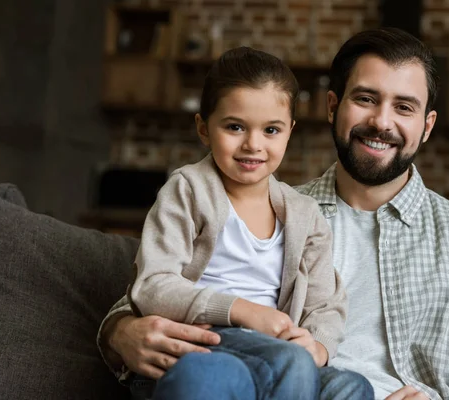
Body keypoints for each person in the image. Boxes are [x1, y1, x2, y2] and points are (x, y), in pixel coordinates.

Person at [98, 29, 449, 400]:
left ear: (426, 126)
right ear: (333, 106)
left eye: (404, 107)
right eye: (365, 99)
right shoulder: (274, 208)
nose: (382, 121)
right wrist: (121, 333)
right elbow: (152, 287)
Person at [108, 46, 373, 400]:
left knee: (351, 387)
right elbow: (152, 286)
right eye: (235, 126)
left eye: (271, 130)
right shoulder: (188, 190)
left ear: (289, 132)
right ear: (204, 128)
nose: (253, 144)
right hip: (206, 343)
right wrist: (243, 312)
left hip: (275, 352)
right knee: (249, 370)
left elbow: (325, 305)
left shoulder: (306, 217)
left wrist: (318, 346)